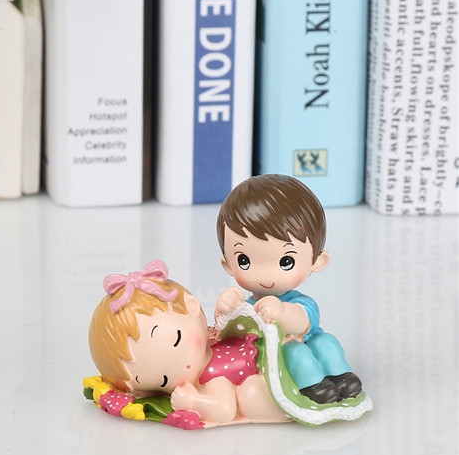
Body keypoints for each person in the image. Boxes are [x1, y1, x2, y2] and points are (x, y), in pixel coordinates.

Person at [215, 174, 362, 404]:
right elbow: (227, 335)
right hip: (268, 357)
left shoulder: (302, 303)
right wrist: (224, 309)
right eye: (244, 260)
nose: (266, 275)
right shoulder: (246, 306)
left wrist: (282, 312)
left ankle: (341, 377)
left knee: (326, 342)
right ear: (228, 264)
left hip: (304, 340)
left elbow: (302, 321)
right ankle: (313, 385)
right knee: (295, 351)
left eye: (286, 261)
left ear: (317, 261)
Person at [89, 260, 289, 425]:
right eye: (164, 380)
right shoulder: (204, 375)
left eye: (177, 340)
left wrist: (194, 400)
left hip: (270, 366)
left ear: (192, 306)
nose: (182, 367)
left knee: (250, 396)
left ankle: (286, 404)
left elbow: (225, 410)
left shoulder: (213, 373)